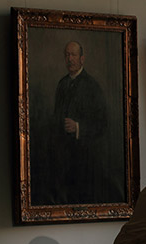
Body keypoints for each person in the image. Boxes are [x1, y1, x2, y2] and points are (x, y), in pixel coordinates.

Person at [48, 41, 109, 204]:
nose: (70, 59)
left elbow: (102, 124)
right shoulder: (62, 84)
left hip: (85, 158)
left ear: (82, 59)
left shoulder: (92, 86)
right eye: (67, 55)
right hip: (63, 157)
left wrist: (78, 127)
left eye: (73, 55)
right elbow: (56, 117)